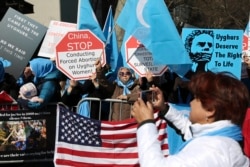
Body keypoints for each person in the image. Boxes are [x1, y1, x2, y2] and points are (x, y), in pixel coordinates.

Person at [131, 71, 249, 167]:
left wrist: (146, 123)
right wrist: (164, 108)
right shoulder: (220, 140)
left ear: (210, 110)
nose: (191, 103)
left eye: (196, 98)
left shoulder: (212, 150)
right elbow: (189, 129)